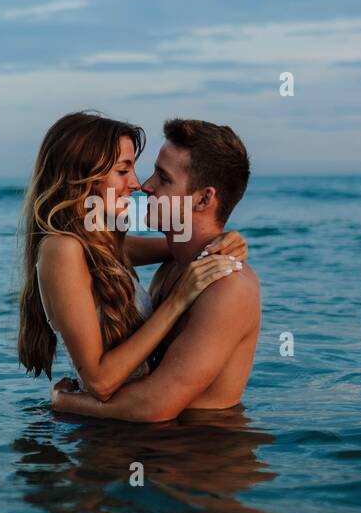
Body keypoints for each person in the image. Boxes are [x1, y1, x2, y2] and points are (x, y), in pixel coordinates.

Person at [17, 111, 248, 402]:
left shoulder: (97, 246)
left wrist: (223, 242)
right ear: (83, 177)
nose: (138, 184)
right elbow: (100, 382)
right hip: (103, 439)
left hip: (120, 434)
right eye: (123, 171)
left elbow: (174, 247)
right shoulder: (62, 249)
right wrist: (179, 299)